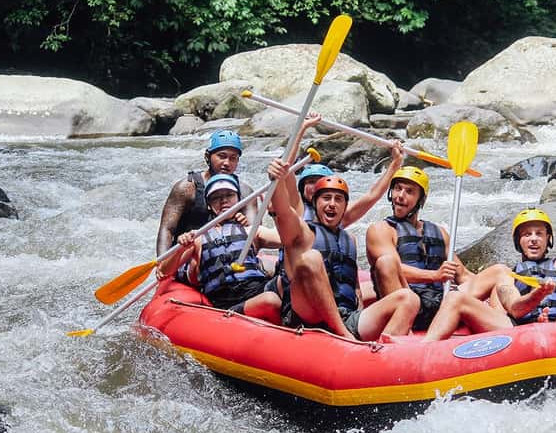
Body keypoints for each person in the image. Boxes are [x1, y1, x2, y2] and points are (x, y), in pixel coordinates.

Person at [266, 160, 419, 340]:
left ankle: (381, 351)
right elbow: (283, 210)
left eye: (338, 199)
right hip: (309, 314)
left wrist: (360, 313)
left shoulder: (349, 240)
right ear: (315, 203)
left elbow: (354, 288)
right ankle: (342, 334)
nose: (332, 204)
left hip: (347, 315)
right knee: (311, 258)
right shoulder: (302, 232)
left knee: (409, 299)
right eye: (326, 198)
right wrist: (276, 180)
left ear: (345, 207)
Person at [424, 208, 556, 340]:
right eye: (527, 235)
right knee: (456, 298)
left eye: (539, 234)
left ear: (548, 238)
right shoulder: (507, 275)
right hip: (520, 332)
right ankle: (424, 351)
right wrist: (538, 294)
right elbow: (516, 309)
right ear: (519, 241)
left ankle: (555, 332)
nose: (533, 240)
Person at [365, 166, 510, 331]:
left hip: (440, 302)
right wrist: (434, 275)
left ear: (422, 200)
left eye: (409, 191)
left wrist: (490, 294)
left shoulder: (439, 232)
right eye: (398, 189)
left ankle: (501, 325)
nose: (400, 196)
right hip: (408, 304)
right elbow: (390, 269)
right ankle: (402, 333)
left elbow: (462, 274)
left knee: (500, 271)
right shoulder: (380, 230)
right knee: (385, 262)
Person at [157, 174, 282, 322]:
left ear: (238, 199)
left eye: (229, 195)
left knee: (290, 279)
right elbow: (165, 271)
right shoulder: (198, 238)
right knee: (270, 300)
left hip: (258, 289)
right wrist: (181, 247)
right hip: (227, 302)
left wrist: (276, 213)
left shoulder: (252, 231)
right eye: (216, 197)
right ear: (209, 205)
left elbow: (290, 240)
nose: (224, 200)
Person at [155, 130, 259, 258]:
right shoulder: (186, 188)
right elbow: (167, 230)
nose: (227, 163)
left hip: (229, 255)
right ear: (207, 156)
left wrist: (244, 224)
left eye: (233, 158)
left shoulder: (245, 192)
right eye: (222, 156)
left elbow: (255, 232)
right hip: (189, 256)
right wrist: (162, 263)